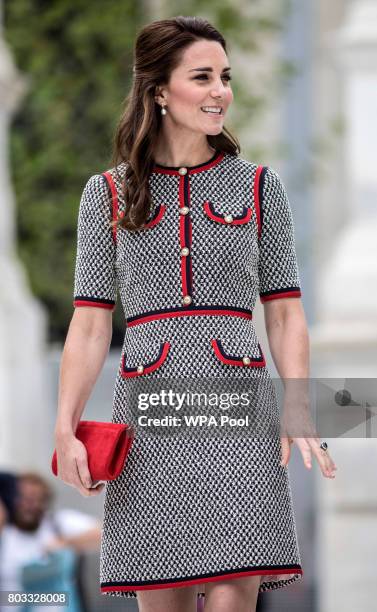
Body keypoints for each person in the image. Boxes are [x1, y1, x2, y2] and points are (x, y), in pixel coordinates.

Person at [53, 15, 337, 612]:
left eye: (225, 77)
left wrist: (298, 402)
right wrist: (66, 425)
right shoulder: (107, 193)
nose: (220, 92)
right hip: (150, 419)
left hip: (238, 412)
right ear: (160, 90)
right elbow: (89, 324)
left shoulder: (260, 186)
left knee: (238, 591)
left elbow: (285, 313)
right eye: (202, 77)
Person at [0, 472, 101, 611]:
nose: (29, 505)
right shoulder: (6, 534)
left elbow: (101, 534)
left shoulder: (57, 524)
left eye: (35, 498)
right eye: (23, 498)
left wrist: (65, 542)